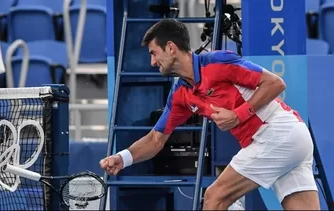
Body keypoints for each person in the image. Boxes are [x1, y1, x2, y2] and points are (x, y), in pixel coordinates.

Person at [99, 19, 320, 210]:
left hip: (276, 132)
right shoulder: (180, 94)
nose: (152, 62)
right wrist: (122, 158)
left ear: (171, 47)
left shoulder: (218, 62)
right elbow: (156, 140)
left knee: (215, 197)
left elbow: (275, 83)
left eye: (154, 53)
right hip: (294, 140)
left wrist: (238, 115)